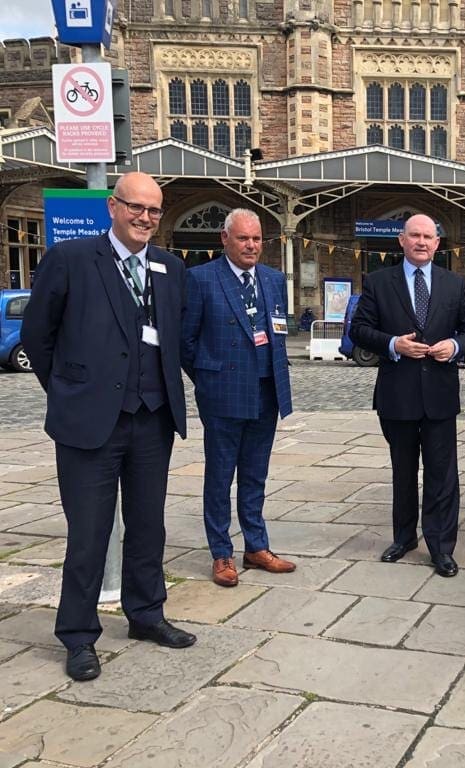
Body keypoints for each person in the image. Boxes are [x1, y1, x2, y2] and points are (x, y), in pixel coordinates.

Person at [21, 171, 196, 682]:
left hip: (152, 419)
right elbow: (38, 335)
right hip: (88, 424)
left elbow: (172, 336)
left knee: (148, 526)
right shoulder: (71, 260)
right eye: (135, 207)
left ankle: (146, 615)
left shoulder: (169, 267)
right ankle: (78, 635)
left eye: (154, 211)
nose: (145, 218)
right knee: (90, 533)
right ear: (113, 207)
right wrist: (70, 392)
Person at [349, 214, 465, 577]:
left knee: (443, 475)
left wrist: (454, 345)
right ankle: (404, 537)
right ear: (402, 241)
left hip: (439, 394)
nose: (422, 242)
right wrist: (393, 344)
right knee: (403, 472)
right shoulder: (378, 281)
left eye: (429, 236)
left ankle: (441, 547)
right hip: (398, 393)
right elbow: (359, 329)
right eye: (415, 236)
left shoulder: (454, 284)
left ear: (438, 243)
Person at [181, 208, 296, 587]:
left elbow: (278, 330)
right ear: (225, 239)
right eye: (244, 238)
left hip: (266, 392)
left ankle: (256, 546)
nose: (251, 245)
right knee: (219, 477)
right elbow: (186, 341)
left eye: (257, 238)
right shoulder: (200, 278)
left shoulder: (274, 279)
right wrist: (207, 379)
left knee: (255, 475)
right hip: (223, 395)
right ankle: (221, 554)